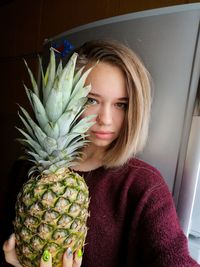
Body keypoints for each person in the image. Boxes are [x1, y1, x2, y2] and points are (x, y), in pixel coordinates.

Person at [3, 39, 200, 267]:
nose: (105, 119)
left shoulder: (144, 185)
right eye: (92, 100)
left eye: (121, 104)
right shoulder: (25, 171)